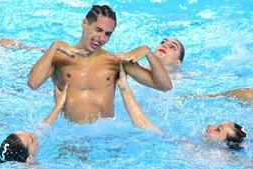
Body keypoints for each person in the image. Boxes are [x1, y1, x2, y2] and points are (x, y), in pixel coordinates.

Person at [28, 5, 172, 124]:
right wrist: (54, 46)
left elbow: (165, 86)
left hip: (105, 137)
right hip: (71, 134)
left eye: (108, 34)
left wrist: (147, 52)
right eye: (98, 30)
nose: (101, 38)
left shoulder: (115, 61)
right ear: (85, 24)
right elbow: (33, 83)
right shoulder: (59, 59)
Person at [117, 64, 246, 149]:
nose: (210, 126)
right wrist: (124, 88)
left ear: (224, 145)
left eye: (218, 130)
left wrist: (124, 88)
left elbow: (145, 126)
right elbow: (146, 126)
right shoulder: (196, 147)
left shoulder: (201, 151)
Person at [0, 84, 68, 163]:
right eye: (32, 139)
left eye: (29, 134)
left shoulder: (25, 157)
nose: (34, 134)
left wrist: (59, 105)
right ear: (29, 158)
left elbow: (44, 126)